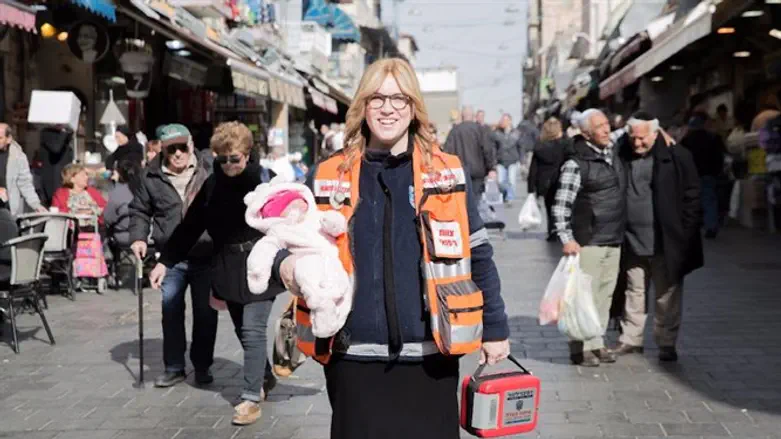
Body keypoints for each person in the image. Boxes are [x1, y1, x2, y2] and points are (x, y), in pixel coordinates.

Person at [277, 58, 510, 439]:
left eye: (400, 98)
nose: (388, 108)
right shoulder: (327, 174)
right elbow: (279, 242)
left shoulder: (447, 172)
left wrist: (496, 328)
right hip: (352, 357)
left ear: (414, 107)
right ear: (363, 106)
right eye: (378, 98)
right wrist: (283, 267)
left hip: (431, 356)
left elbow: (478, 253)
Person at [147, 121, 282, 425]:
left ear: (247, 154)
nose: (228, 165)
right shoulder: (211, 185)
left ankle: (249, 397)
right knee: (242, 331)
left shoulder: (266, 181)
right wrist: (164, 262)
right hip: (226, 267)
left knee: (252, 329)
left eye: (234, 158)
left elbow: (292, 219)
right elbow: (189, 228)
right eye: (222, 159)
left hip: (260, 264)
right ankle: (264, 376)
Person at [129, 124, 217, 389]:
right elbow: (140, 211)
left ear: (191, 144)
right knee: (171, 311)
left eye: (182, 147)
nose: (178, 154)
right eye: (171, 149)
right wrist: (138, 237)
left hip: (205, 253)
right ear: (162, 150)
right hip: (171, 257)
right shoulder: (151, 176)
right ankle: (174, 367)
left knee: (205, 313)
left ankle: (202, 366)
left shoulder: (208, 168)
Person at [611, 112, 703, 363]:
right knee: (634, 291)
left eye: (642, 138)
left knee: (667, 295)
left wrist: (685, 232)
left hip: (666, 240)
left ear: (655, 134)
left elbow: (693, 196)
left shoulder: (677, 156)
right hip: (631, 239)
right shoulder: (621, 155)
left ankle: (666, 343)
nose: (637, 143)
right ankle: (631, 339)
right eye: (632, 138)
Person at [552, 108, 625, 367]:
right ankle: (578, 346)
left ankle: (596, 342)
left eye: (607, 124)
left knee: (604, 295)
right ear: (586, 133)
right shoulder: (576, 164)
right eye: (599, 126)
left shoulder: (611, 152)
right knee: (582, 296)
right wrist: (566, 238)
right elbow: (561, 206)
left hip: (613, 237)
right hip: (588, 240)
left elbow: (630, 130)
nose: (607, 129)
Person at [680, 113, 726, 238]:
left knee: (692, 201)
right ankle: (711, 226)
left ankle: (691, 227)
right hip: (708, 174)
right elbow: (719, 157)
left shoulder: (686, 140)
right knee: (709, 200)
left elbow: (681, 158)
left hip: (691, 175)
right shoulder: (713, 138)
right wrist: (717, 171)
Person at [528, 117, 570, 240]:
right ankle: (561, 229)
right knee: (563, 207)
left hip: (545, 183)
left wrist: (531, 189)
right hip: (562, 180)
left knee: (549, 206)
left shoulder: (540, 147)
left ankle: (551, 230)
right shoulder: (565, 145)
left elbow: (533, 169)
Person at [443, 105, 497, 197]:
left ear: (462, 116)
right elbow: (487, 150)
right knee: (476, 199)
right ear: (473, 116)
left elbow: (447, 152)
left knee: (462, 199)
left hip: (460, 171)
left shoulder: (454, 131)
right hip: (478, 171)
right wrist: (491, 168)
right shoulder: (480, 130)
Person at [0, 123, 46, 216]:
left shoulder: (18, 156)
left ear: (8, 139)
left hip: (7, 208)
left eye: (0, 138)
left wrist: (36, 205)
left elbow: (25, 183)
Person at [104, 160, 140, 246]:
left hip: (127, 236)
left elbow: (107, 218)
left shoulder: (118, 192)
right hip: (150, 235)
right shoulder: (147, 187)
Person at [493, 113, 526, 204]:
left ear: (510, 121)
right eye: (502, 120)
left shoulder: (517, 133)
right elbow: (493, 148)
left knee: (511, 181)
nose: (503, 122)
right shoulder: (496, 133)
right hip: (500, 161)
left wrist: (522, 162)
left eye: (505, 120)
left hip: (513, 161)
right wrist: (493, 162)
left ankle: (510, 198)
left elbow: (521, 148)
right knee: (500, 182)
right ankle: (505, 193)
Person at [38, 125, 74, 206]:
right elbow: (56, 148)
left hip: (64, 174)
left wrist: (68, 132)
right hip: (53, 177)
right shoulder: (47, 132)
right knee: (55, 202)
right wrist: (64, 132)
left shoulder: (63, 132)